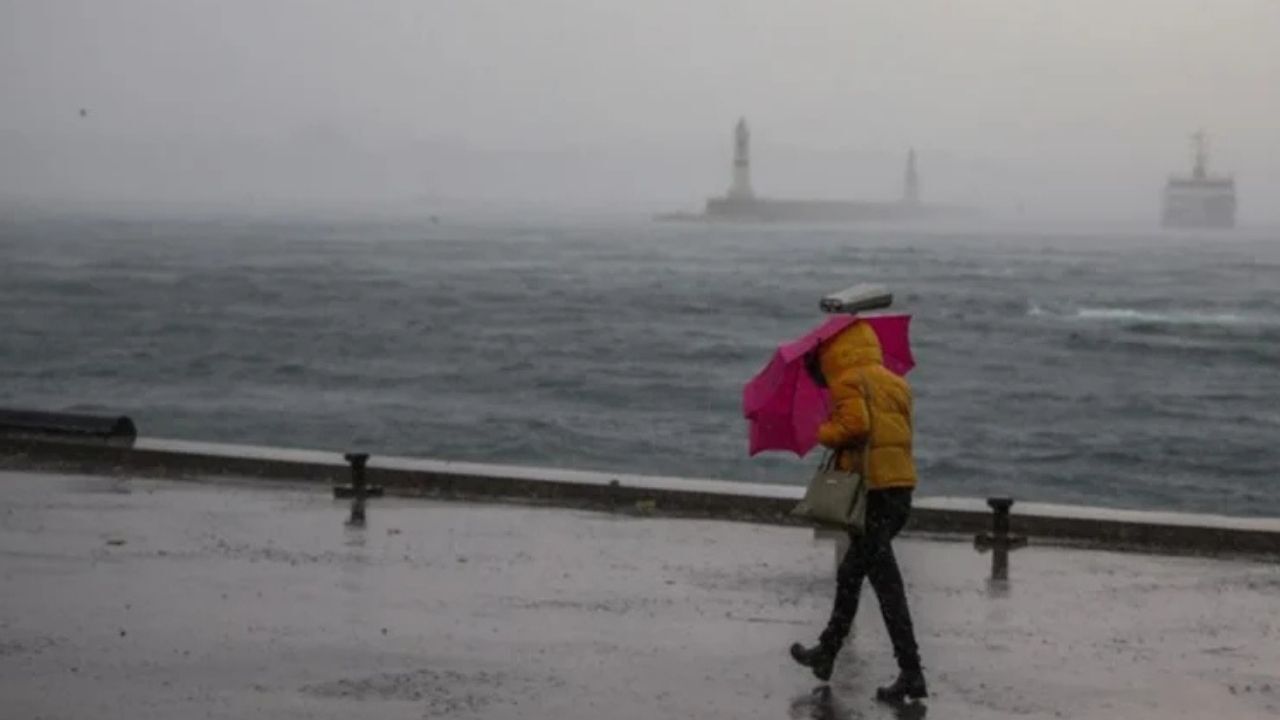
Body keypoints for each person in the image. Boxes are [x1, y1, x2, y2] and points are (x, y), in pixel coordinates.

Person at [790, 320, 927, 702]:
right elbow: (895, 433)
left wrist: (824, 432)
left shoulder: (848, 381)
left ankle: (910, 672)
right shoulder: (895, 382)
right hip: (899, 489)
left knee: (881, 584)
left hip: (873, 494)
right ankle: (828, 652)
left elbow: (856, 425)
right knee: (857, 575)